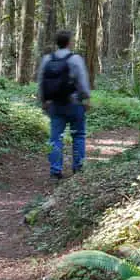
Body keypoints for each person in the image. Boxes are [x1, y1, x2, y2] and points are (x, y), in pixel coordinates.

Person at [38, 31, 90, 179]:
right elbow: (82, 81)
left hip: (55, 104)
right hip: (74, 103)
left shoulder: (47, 59)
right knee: (78, 135)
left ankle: (55, 170)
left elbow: (41, 81)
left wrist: (44, 101)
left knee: (55, 138)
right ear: (69, 42)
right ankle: (78, 169)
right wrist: (86, 98)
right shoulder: (75, 59)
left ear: (57, 43)